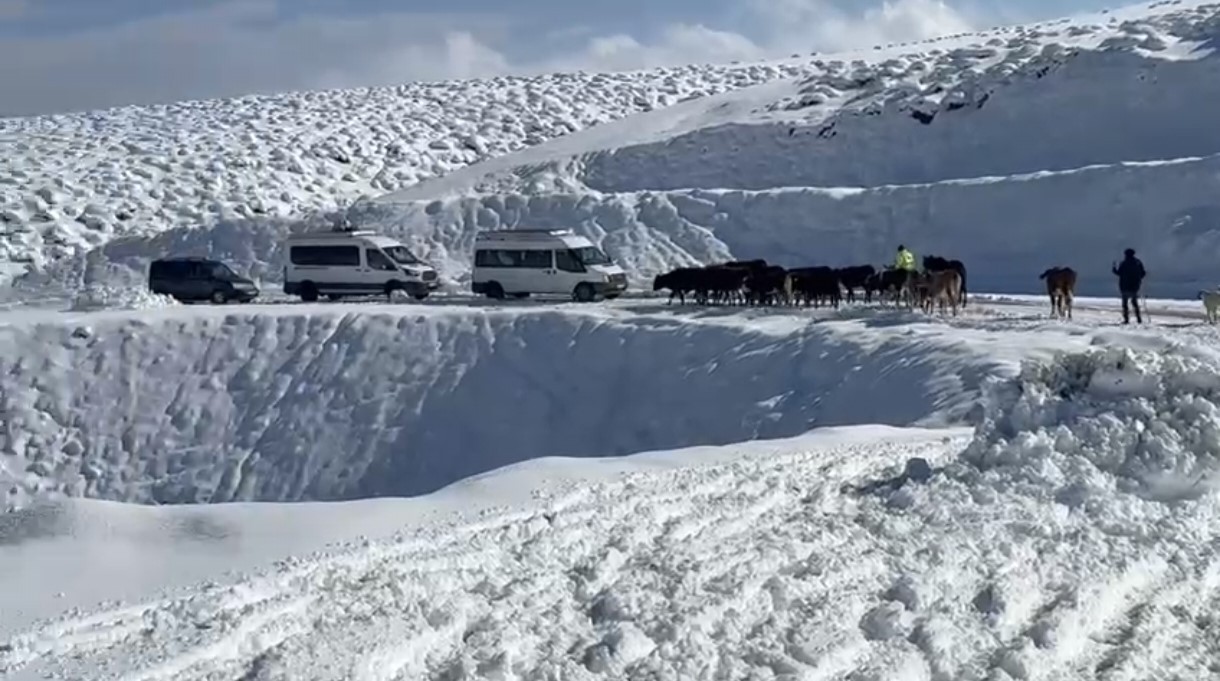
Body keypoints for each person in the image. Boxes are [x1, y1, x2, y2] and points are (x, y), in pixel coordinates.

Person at [1112, 247, 1146, 324]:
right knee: (1134, 303)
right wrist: (1138, 280)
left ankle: (1126, 319)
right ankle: (1138, 319)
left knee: (1125, 304)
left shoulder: (1124, 263)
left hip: (1125, 286)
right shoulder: (1138, 263)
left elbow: (1119, 273)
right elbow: (1143, 273)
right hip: (1135, 286)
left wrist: (1114, 269)